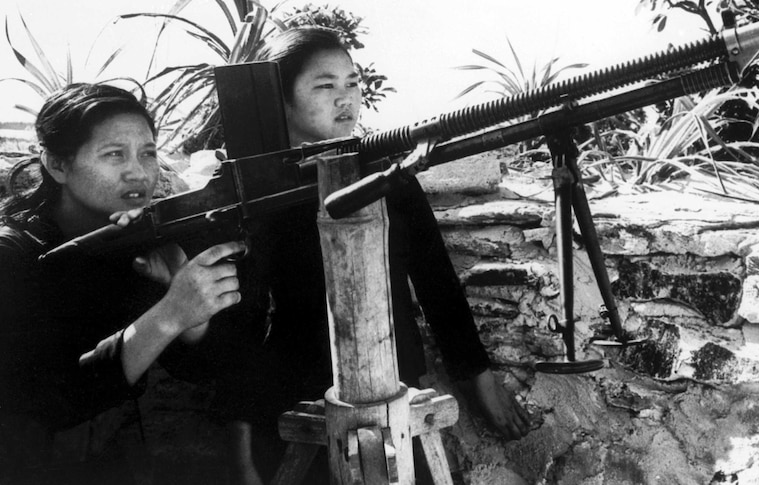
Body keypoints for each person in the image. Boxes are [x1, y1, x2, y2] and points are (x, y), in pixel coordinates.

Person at [212, 27, 530, 484]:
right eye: (325, 86)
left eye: (352, 82)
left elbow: (436, 281)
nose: (346, 98)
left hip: (396, 401)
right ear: (279, 100)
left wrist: (479, 379)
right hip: (295, 409)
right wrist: (240, 452)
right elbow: (240, 325)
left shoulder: (385, 175)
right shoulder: (257, 196)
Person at [0, 83, 245, 484]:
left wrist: (190, 311)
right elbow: (47, 401)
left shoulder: (128, 239)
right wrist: (169, 314)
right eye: (114, 154)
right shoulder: (13, 257)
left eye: (147, 153)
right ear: (57, 164)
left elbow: (199, 372)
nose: (138, 171)